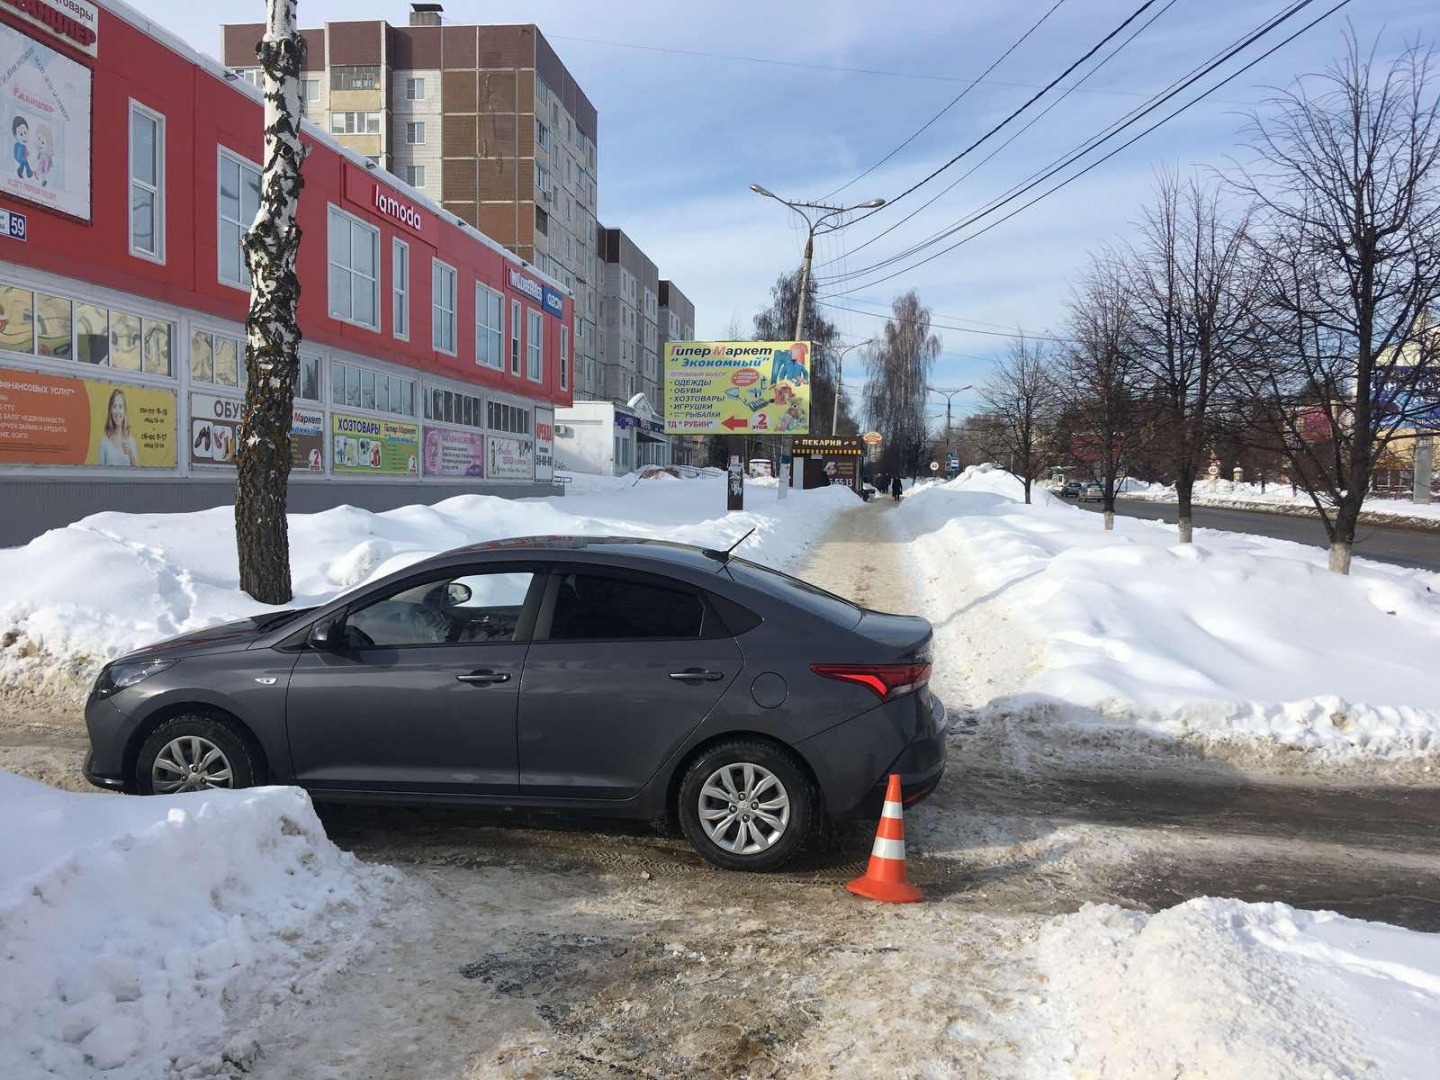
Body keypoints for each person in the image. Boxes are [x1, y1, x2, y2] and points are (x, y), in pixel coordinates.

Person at [98, 388, 139, 466]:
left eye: (120, 407)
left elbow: (137, 473)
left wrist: (130, 453)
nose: (117, 411)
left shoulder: (131, 441)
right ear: (110, 411)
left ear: (125, 411)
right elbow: (99, 473)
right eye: (114, 406)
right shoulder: (105, 442)